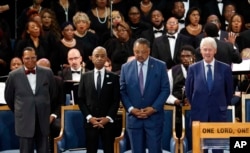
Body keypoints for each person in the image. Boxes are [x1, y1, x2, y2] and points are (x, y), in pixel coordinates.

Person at [120, 38, 170, 153]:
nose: (140, 55)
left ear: (149, 51)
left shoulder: (160, 66)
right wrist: (131, 109)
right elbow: (122, 91)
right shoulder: (125, 68)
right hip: (134, 119)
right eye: (137, 52)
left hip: (154, 118)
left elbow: (165, 90)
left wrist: (153, 108)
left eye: (143, 52)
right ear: (133, 51)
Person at [185, 37, 234, 152]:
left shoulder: (225, 68)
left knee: (218, 148)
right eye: (205, 49)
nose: (207, 52)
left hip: (218, 113)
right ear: (201, 51)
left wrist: (221, 105)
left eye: (210, 50)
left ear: (215, 51)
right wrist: (198, 105)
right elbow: (189, 91)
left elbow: (229, 91)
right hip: (199, 113)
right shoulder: (193, 69)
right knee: (200, 148)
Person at [4, 46, 56, 153]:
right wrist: (21, 111)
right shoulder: (13, 75)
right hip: (24, 121)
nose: (30, 60)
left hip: (43, 120)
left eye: (33, 58)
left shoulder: (47, 72)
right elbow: (9, 98)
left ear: (36, 57)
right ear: (22, 58)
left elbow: (53, 94)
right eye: (27, 58)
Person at [78, 46, 120, 153]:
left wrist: (108, 118)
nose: (99, 58)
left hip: (108, 124)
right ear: (91, 58)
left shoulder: (114, 77)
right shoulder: (85, 77)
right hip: (90, 123)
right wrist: (90, 118)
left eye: (102, 56)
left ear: (106, 58)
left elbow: (116, 100)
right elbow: (81, 100)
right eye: (97, 56)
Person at [166, 45, 195, 138]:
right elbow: (166, 93)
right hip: (177, 110)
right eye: (183, 56)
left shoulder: (200, 69)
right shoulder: (172, 72)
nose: (185, 59)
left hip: (196, 109)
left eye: (188, 56)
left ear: (193, 56)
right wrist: (176, 101)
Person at [36, 58, 64, 153]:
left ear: (50, 70)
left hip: (54, 115)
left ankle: (53, 150)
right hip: (37, 115)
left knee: (56, 125)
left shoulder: (58, 82)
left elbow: (61, 103)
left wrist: (52, 116)